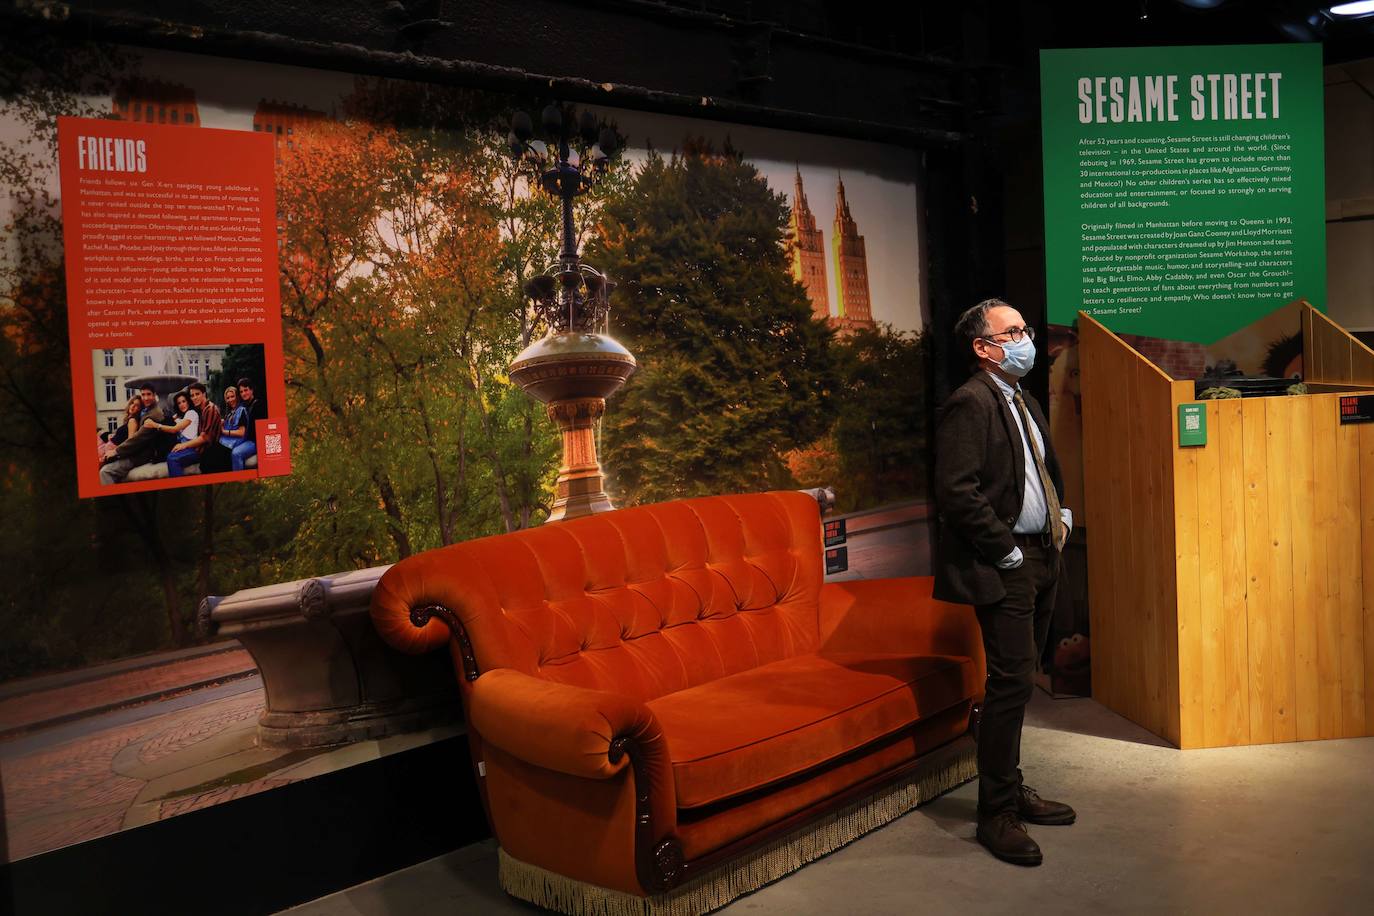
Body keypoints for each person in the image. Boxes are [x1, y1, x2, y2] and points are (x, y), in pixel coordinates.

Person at [933, 298, 1076, 868]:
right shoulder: (969, 404)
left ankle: (1011, 788)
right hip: (1006, 566)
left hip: (1045, 556)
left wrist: (1060, 516)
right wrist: (1009, 551)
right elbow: (957, 493)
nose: (1026, 339)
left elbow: (1039, 474)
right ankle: (995, 812)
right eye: (1012, 331)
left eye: (1025, 329)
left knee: (1021, 682)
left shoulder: (1024, 399)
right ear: (983, 347)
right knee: (1010, 685)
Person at [99, 384, 167, 485]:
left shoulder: (154, 415)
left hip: (141, 456)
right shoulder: (147, 411)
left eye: (149, 394)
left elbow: (138, 438)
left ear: (154, 395)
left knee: (105, 471)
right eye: (143, 395)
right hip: (135, 452)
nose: (146, 398)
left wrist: (116, 451)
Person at [165, 382, 222, 478]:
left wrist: (184, 445)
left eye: (197, 394)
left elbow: (205, 438)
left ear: (204, 394)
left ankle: (180, 488)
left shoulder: (210, 409)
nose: (194, 398)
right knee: (170, 453)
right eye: (192, 395)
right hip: (199, 447)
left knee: (172, 458)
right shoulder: (201, 409)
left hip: (206, 451)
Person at [200, 385, 241, 474]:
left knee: (210, 457)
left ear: (237, 396)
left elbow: (242, 432)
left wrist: (223, 431)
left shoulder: (241, 410)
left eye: (232, 396)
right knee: (207, 453)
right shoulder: (231, 411)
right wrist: (222, 422)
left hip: (235, 442)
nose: (230, 400)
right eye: (228, 398)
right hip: (227, 441)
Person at [232, 377, 265, 472]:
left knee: (236, 453)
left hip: (255, 441)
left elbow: (260, 431)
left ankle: (239, 481)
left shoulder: (258, 405)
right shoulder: (245, 406)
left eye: (245, 390)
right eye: (241, 392)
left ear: (251, 390)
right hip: (247, 439)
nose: (243, 393)